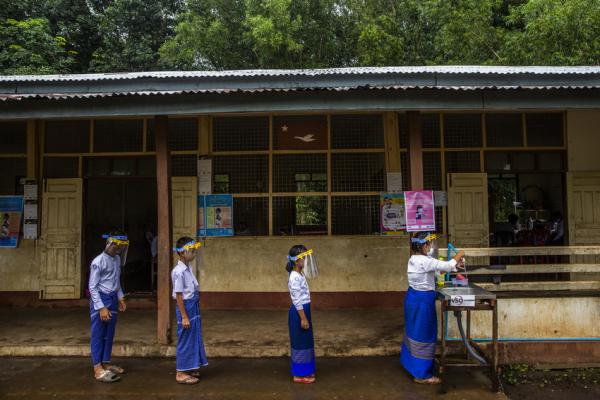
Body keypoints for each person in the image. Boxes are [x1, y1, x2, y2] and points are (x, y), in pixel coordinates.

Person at [401, 232, 465, 385]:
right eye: (429, 245)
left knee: (414, 332)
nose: (430, 248)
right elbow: (447, 265)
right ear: (423, 246)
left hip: (412, 299)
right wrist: (460, 255)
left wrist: (454, 266)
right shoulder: (425, 261)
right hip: (423, 302)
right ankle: (422, 375)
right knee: (425, 335)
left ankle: (412, 366)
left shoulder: (413, 259)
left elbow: (437, 270)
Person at [88, 230, 128, 383]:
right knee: (98, 333)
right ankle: (97, 367)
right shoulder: (98, 262)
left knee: (109, 333)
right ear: (110, 244)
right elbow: (92, 287)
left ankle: (106, 362)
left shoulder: (117, 259)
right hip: (101, 299)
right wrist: (101, 307)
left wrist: (120, 297)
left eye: (121, 247)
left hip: (112, 297)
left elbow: (116, 280)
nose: (119, 249)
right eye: (117, 246)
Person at [172, 237, 208, 385]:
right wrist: (184, 316)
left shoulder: (188, 268)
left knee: (193, 337)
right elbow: (179, 296)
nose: (193, 254)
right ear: (181, 253)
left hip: (193, 306)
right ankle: (180, 372)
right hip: (186, 307)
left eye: (194, 251)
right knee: (185, 339)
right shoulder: (178, 272)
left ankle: (190, 366)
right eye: (191, 251)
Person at [286, 245, 316, 384]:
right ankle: (299, 375)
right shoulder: (294, 277)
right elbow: (296, 299)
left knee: (306, 342)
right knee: (300, 343)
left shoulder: (300, 274)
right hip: (299, 313)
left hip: (304, 310)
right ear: (297, 261)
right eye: (304, 258)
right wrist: (303, 318)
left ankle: (306, 370)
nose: (306, 260)